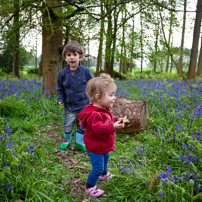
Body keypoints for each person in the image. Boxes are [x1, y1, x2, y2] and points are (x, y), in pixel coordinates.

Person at [78, 73, 125, 197]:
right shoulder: (94, 114)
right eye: (111, 95)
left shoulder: (103, 110)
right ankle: (89, 187)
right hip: (95, 147)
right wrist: (113, 126)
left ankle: (103, 175)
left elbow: (109, 118)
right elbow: (98, 128)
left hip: (103, 145)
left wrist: (116, 119)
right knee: (97, 167)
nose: (114, 98)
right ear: (98, 97)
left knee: (106, 159)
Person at [57, 41, 94, 152]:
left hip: (84, 104)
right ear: (65, 58)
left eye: (75, 55)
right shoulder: (62, 74)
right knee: (68, 124)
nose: (72, 57)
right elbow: (60, 88)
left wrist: (94, 98)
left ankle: (79, 143)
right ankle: (66, 141)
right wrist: (60, 98)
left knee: (83, 124)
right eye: (69, 55)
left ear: (81, 57)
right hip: (69, 104)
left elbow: (92, 85)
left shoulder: (86, 72)